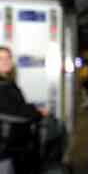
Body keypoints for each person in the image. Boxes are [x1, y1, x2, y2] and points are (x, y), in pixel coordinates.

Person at [0, 46, 49, 174]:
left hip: (11, 146)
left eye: (8, 57)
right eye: (1, 58)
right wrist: (36, 112)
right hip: (4, 148)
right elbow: (15, 112)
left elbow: (16, 106)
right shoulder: (2, 85)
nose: (6, 61)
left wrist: (32, 109)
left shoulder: (7, 82)